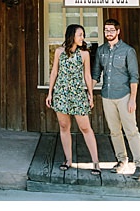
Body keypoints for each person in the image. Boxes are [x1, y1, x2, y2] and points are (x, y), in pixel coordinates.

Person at [91, 18, 140, 179]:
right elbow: (96, 74)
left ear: (118, 31)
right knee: (114, 131)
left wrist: (133, 99)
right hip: (107, 96)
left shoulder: (128, 51)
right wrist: (88, 91)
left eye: (111, 30)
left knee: (131, 130)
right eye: (106, 30)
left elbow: (134, 77)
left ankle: (139, 164)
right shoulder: (101, 51)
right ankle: (122, 160)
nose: (108, 33)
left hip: (124, 96)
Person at [45, 24, 101, 175]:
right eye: (80, 35)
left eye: (83, 35)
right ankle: (68, 160)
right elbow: (54, 72)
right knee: (64, 127)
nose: (83, 38)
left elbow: (87, 76)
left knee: (85, 127)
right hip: (61, 93)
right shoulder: (58, 52)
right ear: (72, 36)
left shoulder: (84, 54)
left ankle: (95, 162)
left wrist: (90, 94)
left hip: (78, 94)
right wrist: (50, 93)